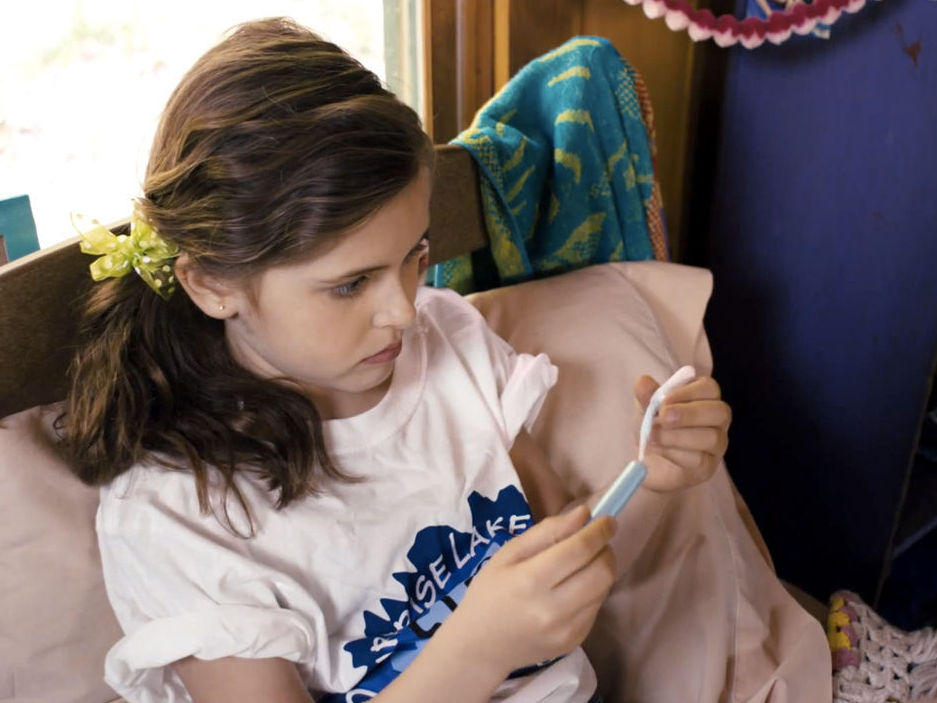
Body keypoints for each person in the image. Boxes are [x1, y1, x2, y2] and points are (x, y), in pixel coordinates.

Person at [58, 17, 736, 703]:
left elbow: (567, 559)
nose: (405, 311)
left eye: (415, 256)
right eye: (350, 284)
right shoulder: (181, 513)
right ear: (212, 284)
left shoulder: (449, 344)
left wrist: (652, 477)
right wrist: (478, 649)